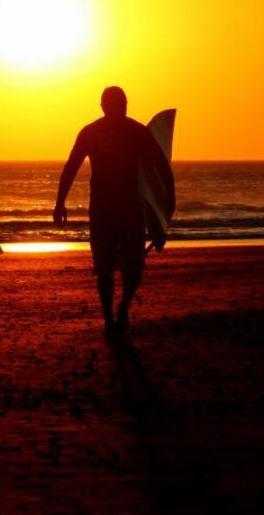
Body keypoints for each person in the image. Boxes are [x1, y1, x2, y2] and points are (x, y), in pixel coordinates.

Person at [54, 86, 174, 337]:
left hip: (123, 207)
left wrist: (168, 203)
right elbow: (71, 166)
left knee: (134, 265)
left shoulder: (135, 131)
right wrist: (59, 202)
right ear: (105, 106)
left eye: (124, 103)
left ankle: (121, 308)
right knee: (105, 267)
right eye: (118, 103)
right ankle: (110, 316)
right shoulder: (93, 132)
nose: (122, 107)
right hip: (106, 208)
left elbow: (161, 165)